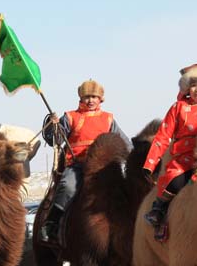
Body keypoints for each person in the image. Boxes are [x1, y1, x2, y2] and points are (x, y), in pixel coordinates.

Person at [39, 79, 130, 243]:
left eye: (94, 97)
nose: (90, 100)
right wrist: (54, 126)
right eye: (87, 96)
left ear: (100, 99)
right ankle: (52, 223)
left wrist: (136, 155)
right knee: (67, 186)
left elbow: (123, 141)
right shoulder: (71, 117)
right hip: (77, 165)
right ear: (81, 98)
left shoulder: (108, 119)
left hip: (103, 168)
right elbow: (56, 140)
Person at [142, 62, 197, 229]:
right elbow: (163, 135)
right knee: (175, 182)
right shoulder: (178, 108)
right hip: (185, 160)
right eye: (194, 85)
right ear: (187, 88)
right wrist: (150, 164)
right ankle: (159, 210)